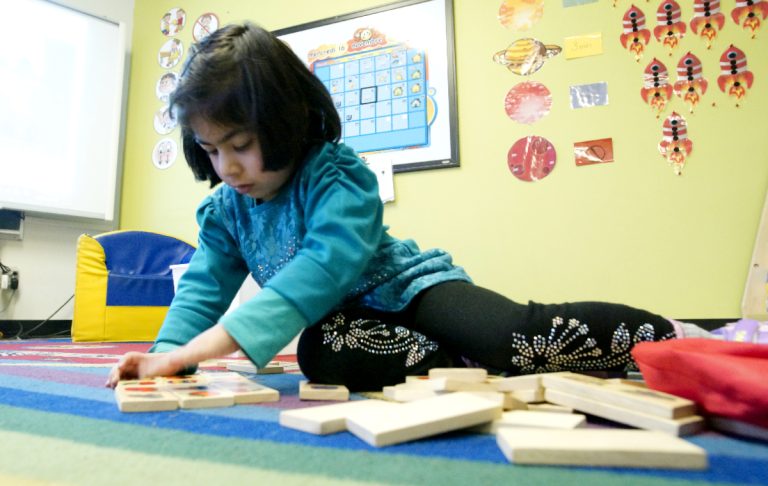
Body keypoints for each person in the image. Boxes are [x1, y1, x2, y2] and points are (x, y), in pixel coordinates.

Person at [107, 22, 712, 391]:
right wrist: (165, 357)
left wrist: (206, 347)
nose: (227, 168)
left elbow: (320, 269)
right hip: (352, 324)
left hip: (413, 291)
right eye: (212, 150)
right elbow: (203, 289)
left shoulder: (336, 176)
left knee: (514, 336)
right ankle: (462, 360)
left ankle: (676, 337)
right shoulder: (225, 213)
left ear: (285, 122)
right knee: (322, 352)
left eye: (240, 146)